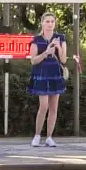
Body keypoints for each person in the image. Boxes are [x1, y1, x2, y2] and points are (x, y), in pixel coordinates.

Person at [28, 12, 66, 147]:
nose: (50, 24)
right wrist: (46, 53)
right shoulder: (36, 39)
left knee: (54, 107)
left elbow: (63, 59)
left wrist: (58, 47)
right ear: (42, 23)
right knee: (43, 106)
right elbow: (33, 60)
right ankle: (37, 135)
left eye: (52, 21)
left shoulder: (60, 38)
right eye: (47, 21)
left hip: (55, 74)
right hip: (42, 74)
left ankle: (49, 136)